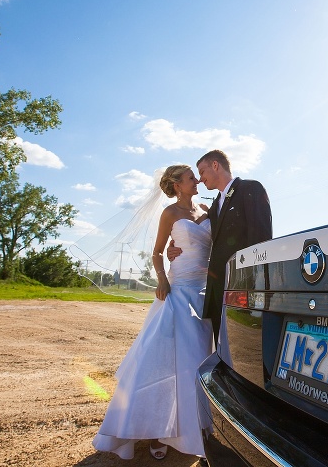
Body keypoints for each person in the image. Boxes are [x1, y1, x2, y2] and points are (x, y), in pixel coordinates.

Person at [92, 165, 214, 461]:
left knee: (199, 359)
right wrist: (161, 279)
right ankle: (158, 430)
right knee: (164, 361)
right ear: (176, 185)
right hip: (178, 290)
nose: (196, 180)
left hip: (205, 292)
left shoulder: (208, 210)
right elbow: (158, 251)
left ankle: (191, 426)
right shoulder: (170, 214)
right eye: (190, 178)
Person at [169, 149, 272, 341]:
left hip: (242, 288)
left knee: (243, 353)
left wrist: (251, 286)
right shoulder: (216, 205)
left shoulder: (250, 189)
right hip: (217, 290)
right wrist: (173, 246)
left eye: (202, 172)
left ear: (215, 165)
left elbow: (261, 239)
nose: (200, 179)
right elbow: (197, 234)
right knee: (220, 351)